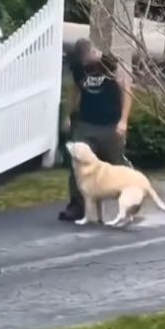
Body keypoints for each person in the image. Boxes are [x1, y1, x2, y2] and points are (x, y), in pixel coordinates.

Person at [58, 38, 134, 221]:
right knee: (77, 163)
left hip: (110, 123)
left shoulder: (111, 64)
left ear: (93, 52)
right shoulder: (78, 67)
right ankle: (77, 205)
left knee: (118, 166)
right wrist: (68, 115)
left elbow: (127, 92)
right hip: (86, 123)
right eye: (81, 63)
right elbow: (74, 91)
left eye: (85, 61)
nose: (84, 65)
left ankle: (131, 202)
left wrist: (123, 121)